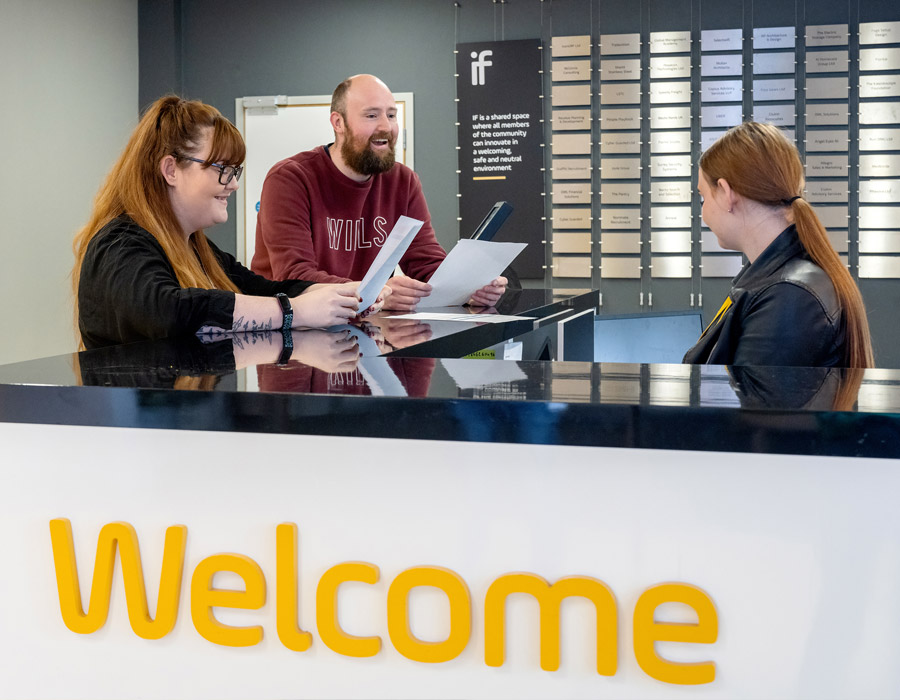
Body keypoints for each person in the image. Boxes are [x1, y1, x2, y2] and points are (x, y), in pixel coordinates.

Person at [74, 96, 386, 350]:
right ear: (171, 170)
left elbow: (262, 289)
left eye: (235, 171)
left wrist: (346, 292)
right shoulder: (119, 243)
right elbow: (166, 311)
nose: (233, 184)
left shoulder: (195, 248)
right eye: (223, 169)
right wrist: (294, 312)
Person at [251, 73, 507, 311]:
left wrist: (468, 289)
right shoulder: (290, 178)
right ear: (338, 122)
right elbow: (295, 277)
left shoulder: (403, 181)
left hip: (364, 329)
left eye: (392, 115)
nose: (386, 126)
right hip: (291, 334)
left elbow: (425, 262)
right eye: (371, 116)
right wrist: (375, 293)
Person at [683, 122, 874, 368]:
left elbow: (750, 405)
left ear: (725, 192)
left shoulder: (788, 296)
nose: (703, 212)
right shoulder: (776, 284)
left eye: (703, 197)